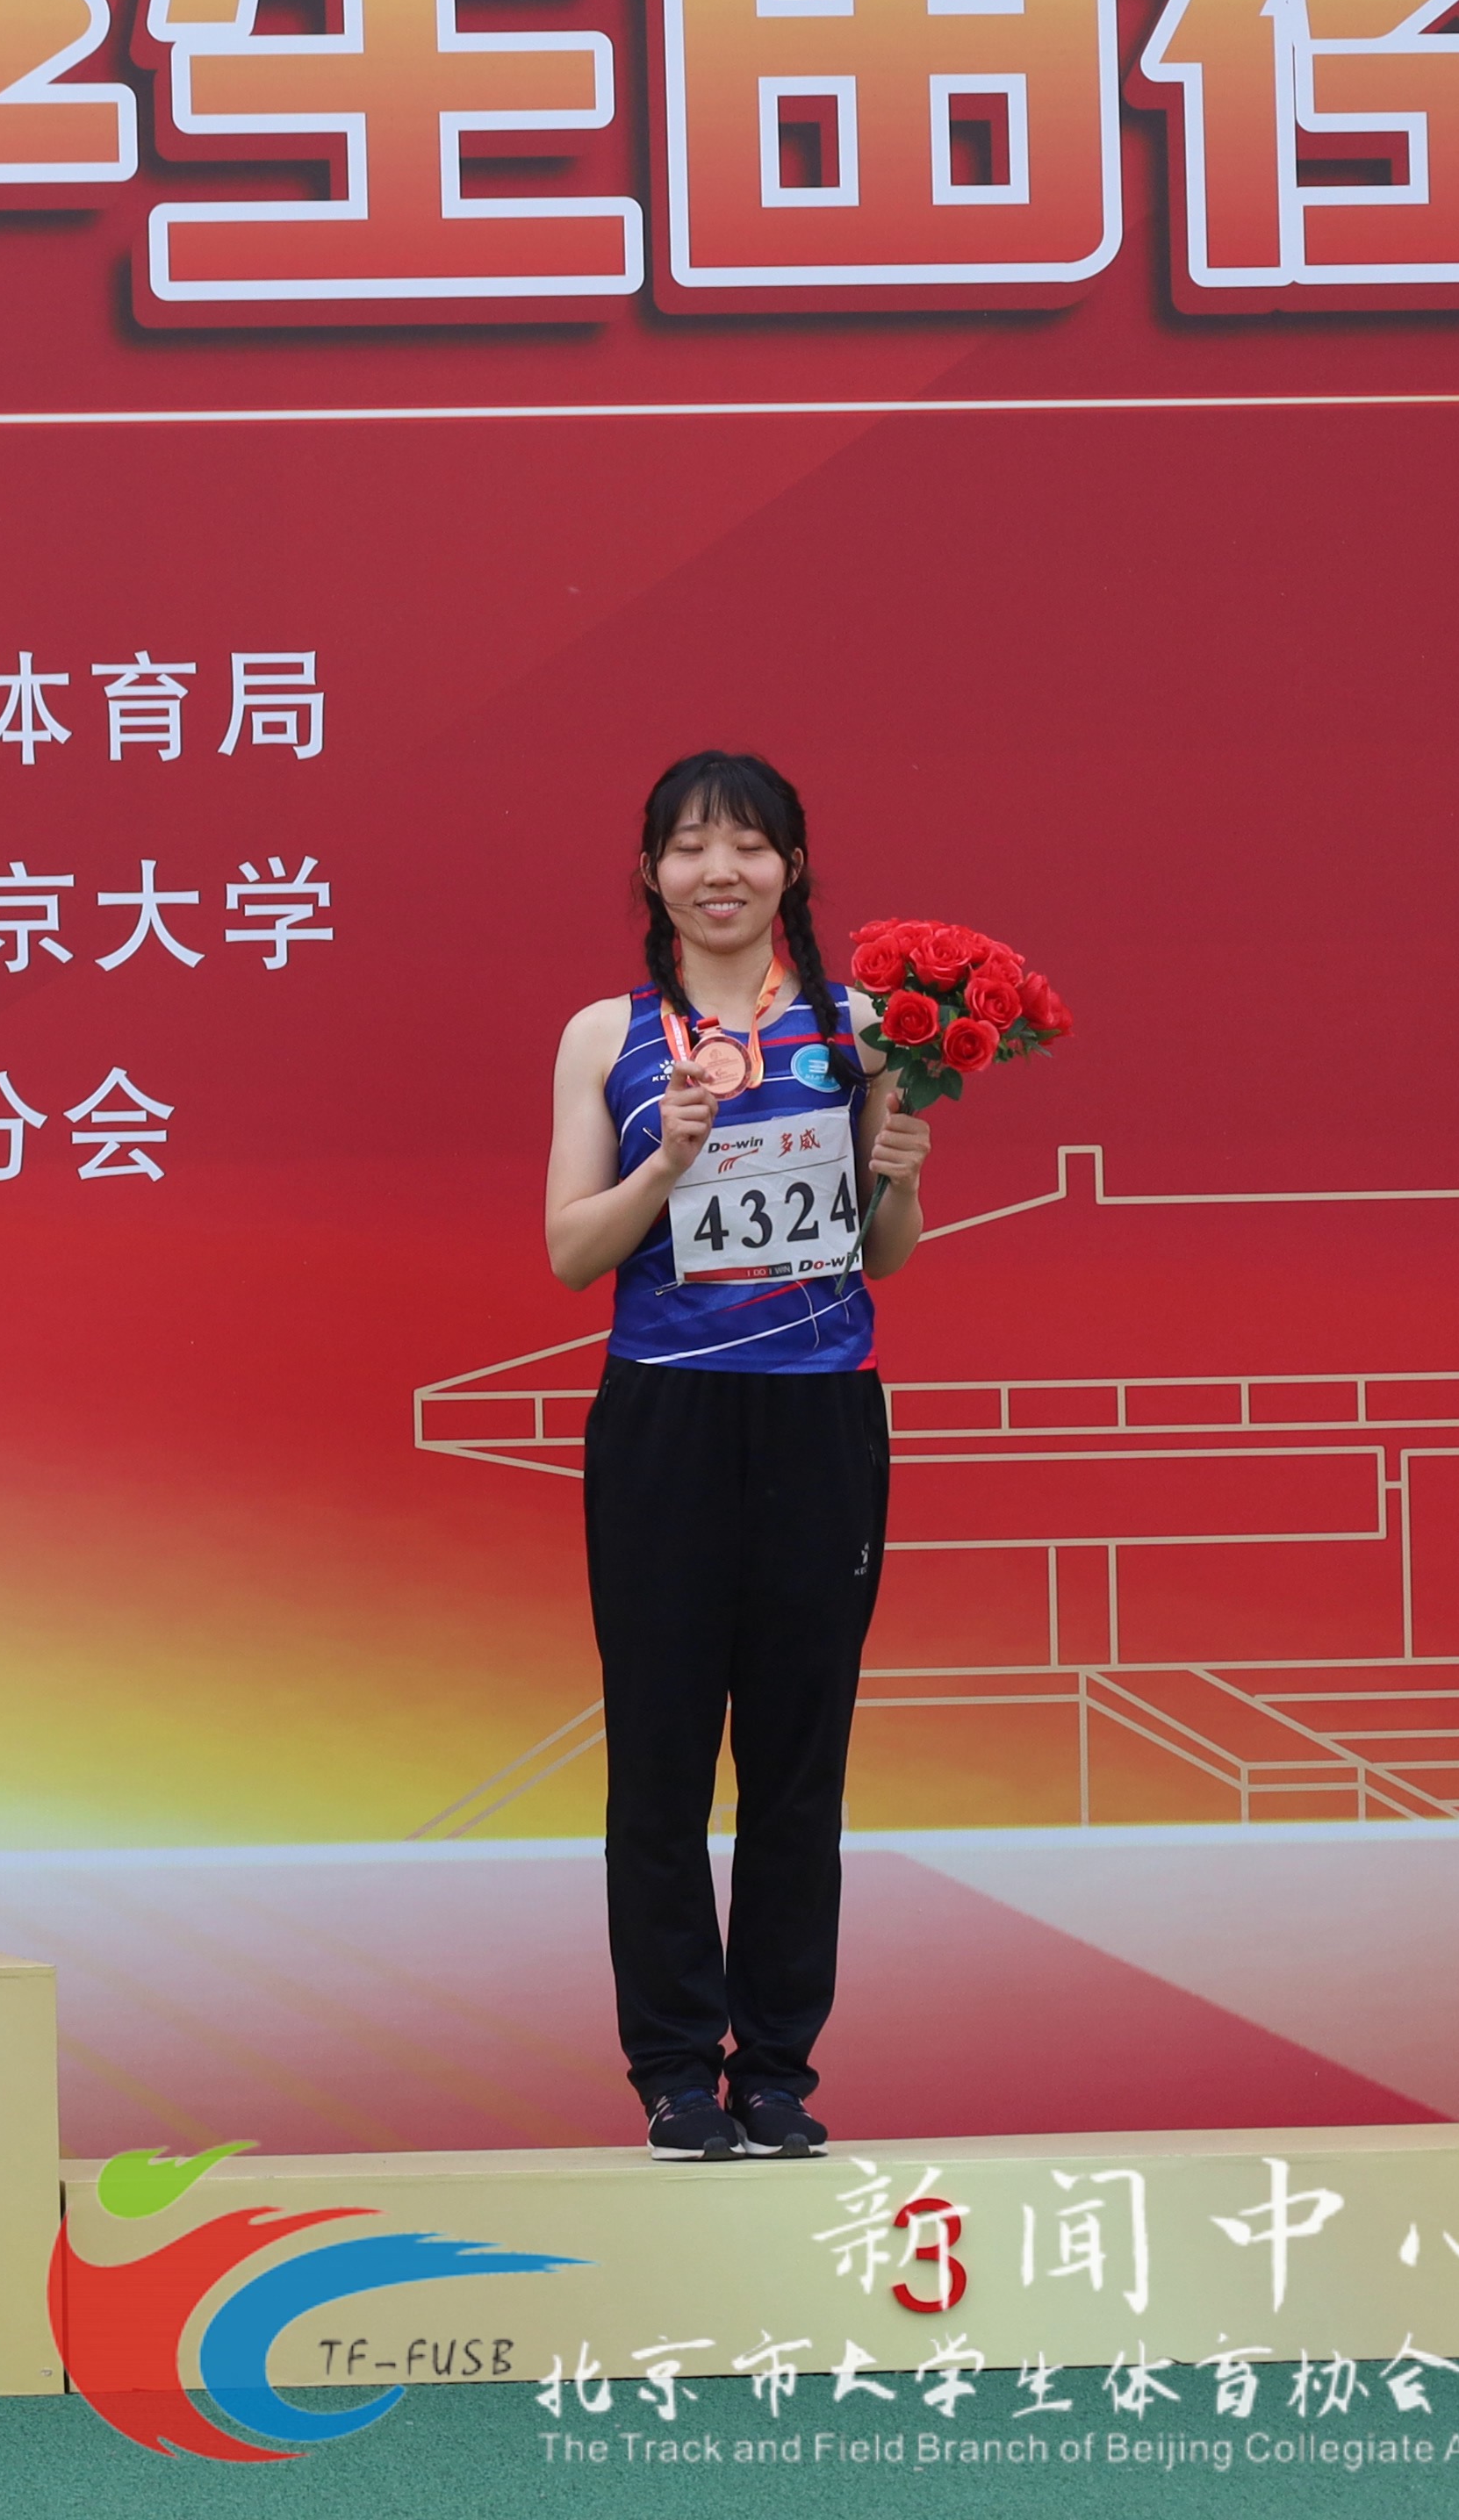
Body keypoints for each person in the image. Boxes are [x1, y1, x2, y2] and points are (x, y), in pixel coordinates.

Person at [538, 748, 932, 2165]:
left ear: (793, 869)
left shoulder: (859, 1027)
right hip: (666, 1417)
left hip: (820, 1414)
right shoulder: (608, 1036)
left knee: (797, 1760)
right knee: (658, 1756)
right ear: (651, 874)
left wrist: (901, 1171)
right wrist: (665, 1165)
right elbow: (568, 1252)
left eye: (750, 845)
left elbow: (884, 1254)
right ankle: (671, 2071)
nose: (722, 871)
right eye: (692, 846)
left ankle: (774, 2068)